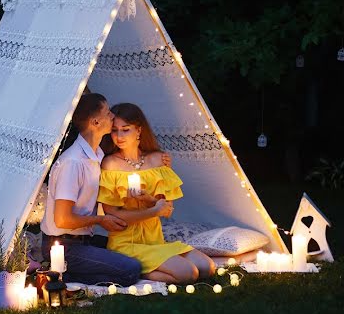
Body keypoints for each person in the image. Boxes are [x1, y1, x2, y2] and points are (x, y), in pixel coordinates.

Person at [98, 103, 216, 283]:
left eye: (125, 130)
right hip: (126, 243)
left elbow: (166, 210)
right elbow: (113, 214)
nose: (119, 136)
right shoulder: (110, 164)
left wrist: (148, 199)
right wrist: (153, 211)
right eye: (115, 130)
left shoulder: (158, 159)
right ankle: (132, 272)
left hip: (155, 241)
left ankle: (148, 268)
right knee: (188, 273)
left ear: (139, 130)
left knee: (208, 267)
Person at [40, 93, 143, 286]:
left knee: (131, 249)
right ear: (95, 122)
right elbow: (62, 219)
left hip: (83, 240)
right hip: (63, 247)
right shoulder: (73, 163)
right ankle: (59, 274)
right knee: (131, 270)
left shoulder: (96, 155)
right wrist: (101, 220)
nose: (112, 116)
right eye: (108, 112)